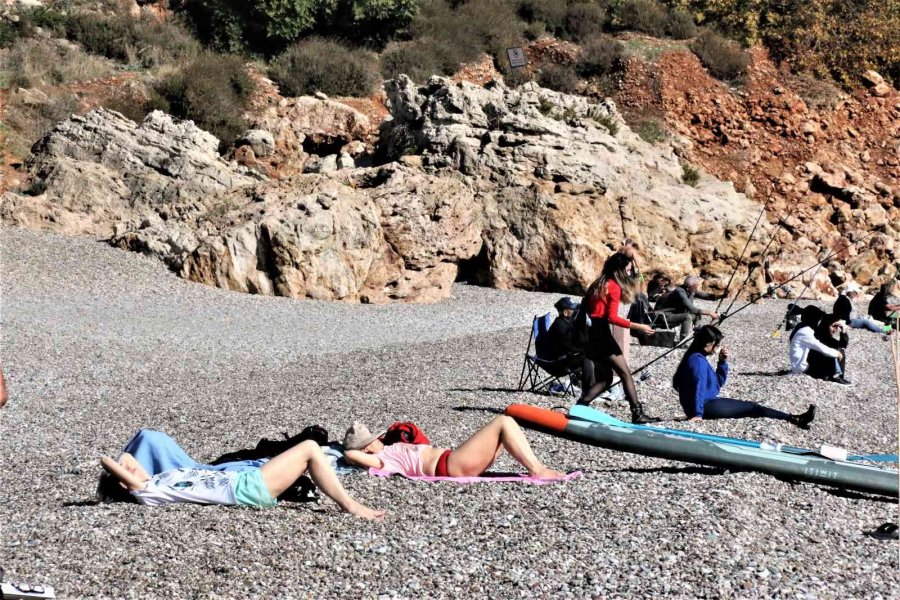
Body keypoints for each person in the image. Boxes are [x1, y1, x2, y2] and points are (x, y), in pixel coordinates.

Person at [100, 439, 385, 520]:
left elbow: (127, 461)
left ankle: (348, 503)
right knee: (310, 448)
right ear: (125, 483)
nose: (135, 467)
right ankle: (350, 505)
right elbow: (112, 463)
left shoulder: (162, 480)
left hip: (244, 480)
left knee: (309, 450)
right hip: (246, 489)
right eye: (131, 473)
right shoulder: (148, 491)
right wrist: (116, 475)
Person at [673, 325, 816, 428]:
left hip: (705, 404)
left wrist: (722, 362)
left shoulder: (695, 358)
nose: (717, 348)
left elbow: (717, 384)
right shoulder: (697, 362)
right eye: (716, 345)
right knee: (753, 408)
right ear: (708, 344)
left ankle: (795, 418)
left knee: (751, 408)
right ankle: (794, 419)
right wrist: (697, 414)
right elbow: (697, 387)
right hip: (705, 406)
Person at [342, 417, 566, 480]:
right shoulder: (381, 460)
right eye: (372, 439)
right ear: (367, 448)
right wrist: (358, 452)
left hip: (453, 460)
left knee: (504, 429)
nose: (378, 438)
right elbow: (350, 454)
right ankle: (537, 469)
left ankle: (537, 466)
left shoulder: (386, 450)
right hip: (450, 466)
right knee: (503, 422)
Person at [576, 253, 659, 423]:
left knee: (606, 379)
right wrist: (639, 327)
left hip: (589, 335)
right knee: (625, 374)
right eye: (627, 271)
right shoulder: (613, 286)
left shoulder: (597, 284)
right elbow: (612, 318)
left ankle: (580, 407)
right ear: (620, 271)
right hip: (601, 335)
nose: (629, 274)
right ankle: (637, 414)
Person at [788, 305, 850, 385]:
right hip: (804, 368)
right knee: (835, 351)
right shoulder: (808, 332)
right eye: (833, 326)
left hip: (804, 365)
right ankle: (835, 376)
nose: (835, 330)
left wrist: (843, 331)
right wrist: (837, 353)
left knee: (837, 349)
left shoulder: (805, 328)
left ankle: (836, 375)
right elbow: (822, 348)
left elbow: (842, 345)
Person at [655, 276, 720, 339]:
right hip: (664, 316)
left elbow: (707, 296)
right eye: (695, 287)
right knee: (687, 317)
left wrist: (722, 295)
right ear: (688, 287)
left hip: (674, 314)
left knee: (697, 315)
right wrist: (710, 313)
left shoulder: (690, 289)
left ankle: (698, 336)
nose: (696, 289)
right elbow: (691, 309)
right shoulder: (679, 292)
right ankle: (683, 342)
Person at [544, 296, 586, 393]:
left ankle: (587, 383)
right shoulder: (560, 326)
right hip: (558, 363)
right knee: (589, 356)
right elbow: (572, 347)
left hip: (565, 357)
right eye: (573, 309)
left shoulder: (566, 322)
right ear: (565, 312)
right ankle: (589, 387)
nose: (575, 311)